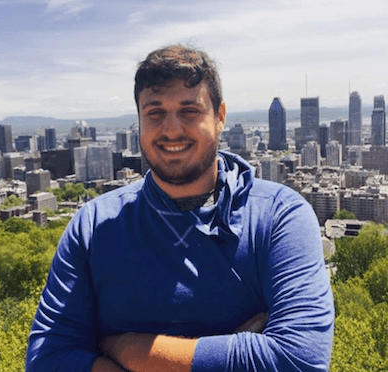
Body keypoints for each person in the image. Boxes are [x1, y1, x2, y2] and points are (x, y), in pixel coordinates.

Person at [25, 44, 334, 372]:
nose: (171, 129)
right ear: (140, 122)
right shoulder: (94, 226)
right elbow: (47, 359)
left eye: (189, 110)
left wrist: (128, 348)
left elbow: (299, 360)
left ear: (219, 117)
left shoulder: (278, 218)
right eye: (155, 112)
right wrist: (238, 351)